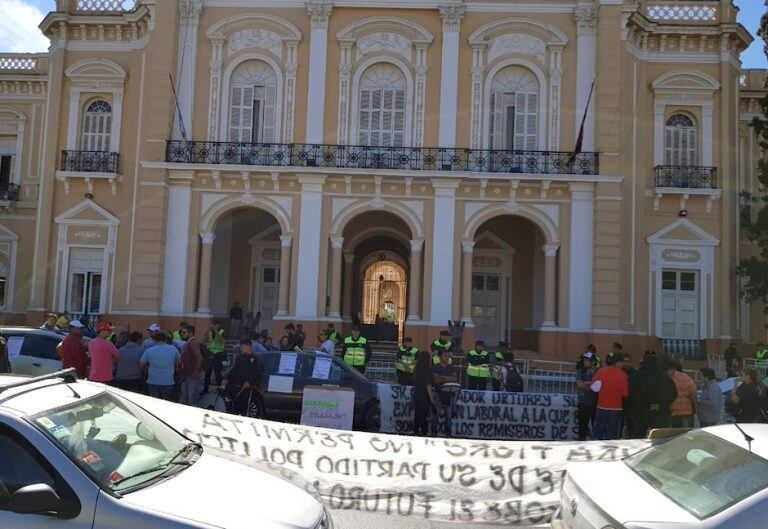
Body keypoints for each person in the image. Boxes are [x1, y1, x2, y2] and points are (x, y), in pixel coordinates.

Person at [629, 354, 676, 437]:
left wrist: (644, 405)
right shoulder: (664, 376)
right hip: (660, 411)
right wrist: (661, 404)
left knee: (639, 436)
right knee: (660, 436)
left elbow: (632, 393)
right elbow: (673, 393)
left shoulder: (637, 376)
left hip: (641, 411)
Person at [590, 352, 629, 440]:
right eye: (622, 362)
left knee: (598, 431)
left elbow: (594, 387)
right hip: (616, 408)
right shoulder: (623, 375)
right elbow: (625, 394)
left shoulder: (602, 371)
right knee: (612, 433)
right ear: (617, 362)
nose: (624, 364)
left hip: (602, 406)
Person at [223, 338, 263, 415]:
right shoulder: (240, 357)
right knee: (234, 403)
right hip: (237, 385)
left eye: (243, 347)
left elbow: (257, 373)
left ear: (249, 347)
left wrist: (249, 381)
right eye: (241, 347)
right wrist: (227, 378)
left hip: (247, 387)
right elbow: (234, 370)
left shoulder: (255, 359)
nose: (241, 349)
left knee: (244, 404)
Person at [140, 331, 181, 400]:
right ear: (165, 339)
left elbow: (141, 364)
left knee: (154, 402)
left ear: (155, 340)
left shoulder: (149, 350)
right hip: (168, 380)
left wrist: (143, 373)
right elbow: (179, 362)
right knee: (166, 402)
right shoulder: (173, 349)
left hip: (152, 380)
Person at [432, 349, 458, 437]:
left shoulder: (452, 367)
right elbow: (435, 379)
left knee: (449, 416)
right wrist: (448, 377)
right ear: (440, 357)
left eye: (448, 356)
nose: (447, 358)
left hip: (449, 393)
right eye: (445, 356)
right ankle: (434, 433)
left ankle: (448, 434)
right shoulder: (435, 367)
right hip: (438, 393)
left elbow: (454, 379)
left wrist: (441, 377)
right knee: (436, 415)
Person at [665, 360, 697, 428]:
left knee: (685, 434)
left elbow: (693, 391)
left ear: (672, 368)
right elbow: (693, 392)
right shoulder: (684, 377)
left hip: (684, 411)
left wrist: (693, 400)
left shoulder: (683, 377)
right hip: (673, 412)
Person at [178, 325, 204, 406]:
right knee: (186, 396)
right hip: (187, 374)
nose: (181, 334)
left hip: (192, 375)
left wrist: (195, 373)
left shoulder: (193, 343)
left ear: (190, 333)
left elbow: (199, 358)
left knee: (192, 397)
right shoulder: (189, 343)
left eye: (184, 332)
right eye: (181, 332)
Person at [575, 352, 598, 441]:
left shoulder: (599, 372)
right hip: (583, 404)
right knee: (582, 428)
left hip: (596, 404)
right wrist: (593, 386)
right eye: (584, 360)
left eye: (587, 360)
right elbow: (580, 385)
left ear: (592, 362)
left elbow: (600, 387)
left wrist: (588, 385)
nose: (585, 362)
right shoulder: (580, 372)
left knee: (596, 428)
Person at [411, 350, 434, 436]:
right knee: (424, 414)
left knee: (417, 413)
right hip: (424, 394)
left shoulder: (416, 370)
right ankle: (424, 431)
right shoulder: (427, 370)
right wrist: (431, 398)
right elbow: (428, 384)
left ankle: (416, 430)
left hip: (417, 393)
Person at [202, 321, 226, 394]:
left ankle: (220, 389)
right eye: (212, 325)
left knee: (218, 373)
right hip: (209, 354)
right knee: (207, 373)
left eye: (215, 325)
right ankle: (205, 389)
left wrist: (216, 332)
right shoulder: (208, 332)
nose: (214, 326)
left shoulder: (222, 332)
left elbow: (221, 341)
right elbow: (204, 341)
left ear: (218, 325)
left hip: (218, 354)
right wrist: (206, 333)